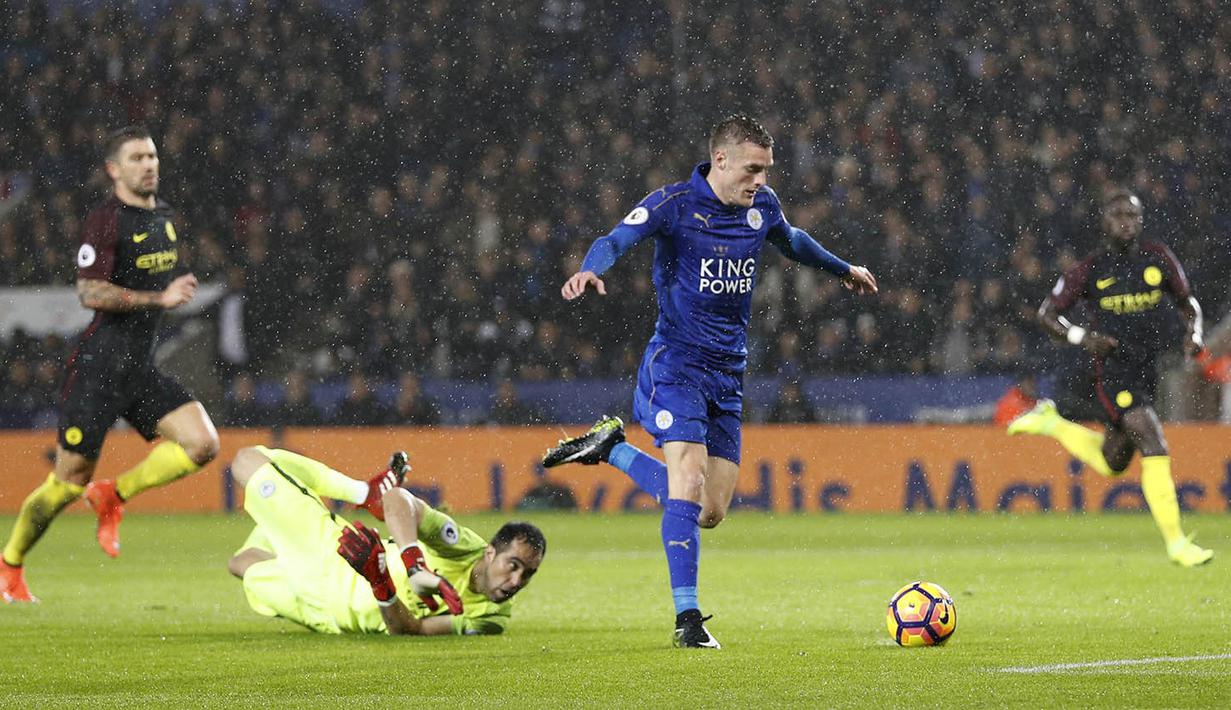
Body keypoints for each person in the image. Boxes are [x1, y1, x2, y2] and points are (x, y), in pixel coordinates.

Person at [542, 116, 878, 648]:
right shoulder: (673, 205)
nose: (761, 181)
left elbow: (791, 241)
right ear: (720, 161)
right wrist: (590, 268)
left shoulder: (760, 209)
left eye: (766, 170)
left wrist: (842, 269)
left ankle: (613, 450)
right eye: (752, 169)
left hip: (728, 372)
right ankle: (688, 620)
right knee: (689, 477)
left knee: (709, 510)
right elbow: (617, 237)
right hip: (676, 365)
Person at [2, 126, 220, 603]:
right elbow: (89, 292)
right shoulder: (106, 220)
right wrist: (158, 297)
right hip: (99, 369)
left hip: (139, 370)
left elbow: (151, 291)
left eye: (152, 155)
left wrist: (170, 296)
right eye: (137, 157)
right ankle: (10, 563)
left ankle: (113, 495)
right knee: (65, 485)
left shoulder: (164, 217)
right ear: (114, 169)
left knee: (203, 445)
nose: (149, 164)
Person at [1008, 188, 1212, 567]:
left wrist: (1195, 333)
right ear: (1104, 221)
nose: (1126, 222)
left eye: (1132, 215)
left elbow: (1189, 303)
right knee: (1154, 443)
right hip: (1112, 372)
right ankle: (1177, 543)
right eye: (1118, 214)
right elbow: (1047, 313)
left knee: (1113, 461)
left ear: (1141, 220)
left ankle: (1051, 422)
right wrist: (1082, 338)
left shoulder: (1158, 259)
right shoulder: (1091, 269)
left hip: (1146, 369)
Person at [227, 446, 545, 635]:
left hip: (334, 601)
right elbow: (398, 499)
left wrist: (381, 582)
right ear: (490, 553)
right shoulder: (462, 546)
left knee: (248, 462)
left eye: (528, 574)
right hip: (338, 560)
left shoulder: (491, 618)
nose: (517, 580)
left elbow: (412, 631)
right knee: (241, 563)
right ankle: (363, 494)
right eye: (513, 565)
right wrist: (413, 564)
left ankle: (359, 494)